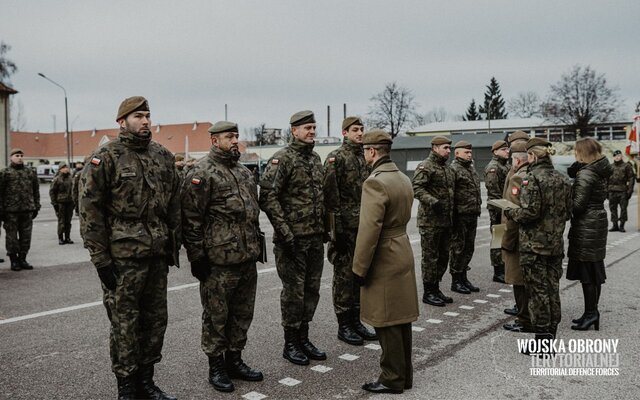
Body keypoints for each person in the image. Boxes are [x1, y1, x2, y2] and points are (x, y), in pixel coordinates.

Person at [79, 96, 180, 400]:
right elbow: (89, 210)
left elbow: (174, 204)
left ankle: (147, 382)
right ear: (122, 122)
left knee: (155, 321)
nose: (145, 121)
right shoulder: (105, 157)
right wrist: (100, 259)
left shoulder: (163, 156)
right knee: (124, 323)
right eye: (138, 116)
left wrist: (174, 246)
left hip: (156, 255)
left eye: (148, 115)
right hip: (122, 258)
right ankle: (127, 387)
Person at [182, 121, 263, 392]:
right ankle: (216, 366)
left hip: (246, 256)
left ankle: (235, 360)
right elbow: (191, 219)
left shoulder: (243, 172)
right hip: (218, 261)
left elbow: (252, 213)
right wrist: (197, 256)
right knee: (217, 316)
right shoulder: (202, 172)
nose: (235, 140)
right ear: (214, 140)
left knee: (242, 314)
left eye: (237, 136)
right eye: (229, 136)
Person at [353, 129, 418, 395]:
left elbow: (369, 230)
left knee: (386, 318)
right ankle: (405, 375)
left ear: (371, 151)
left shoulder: (375, 182)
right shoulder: (402, 177)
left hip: (384, 254)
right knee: (401, 318)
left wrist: (359, 267)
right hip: (401, 247)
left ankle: (391, 377)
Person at [259, 110, 326, 366]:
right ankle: (290, 343)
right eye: (307, 128)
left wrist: (325, 228)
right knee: (293, 293)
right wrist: (285, 231)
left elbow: (320, 197)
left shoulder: (315, 159)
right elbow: (267, 196)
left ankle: (303, 337)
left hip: (314, 238)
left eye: (314, 127)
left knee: (311, 291)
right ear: (294, 131)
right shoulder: (282, 159)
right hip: (292, 240)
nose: (312, 132)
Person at [504, 138, 571, 351]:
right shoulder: (562, 178)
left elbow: (530, 212)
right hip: (555, 245)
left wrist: (511, 212)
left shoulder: (533, 178)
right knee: (552, 289)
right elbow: (568, 211)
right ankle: (551, 336)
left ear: (532, 156)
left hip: (534, 246)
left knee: (537, 292)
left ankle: (542, 343)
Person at [323, 116, 377, 346]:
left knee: (359, 275)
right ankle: (344, 324)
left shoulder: (365, 157)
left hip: (364, 226)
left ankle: (356, 321)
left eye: (362, 129)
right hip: (345, 228)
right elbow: (329, 197)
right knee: (344, 277)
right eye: (355, 130)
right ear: (344, 132)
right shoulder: (337, 158)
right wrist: (336, 232)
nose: (360, 133)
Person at [566, 138, 612, 331]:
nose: (574, 154)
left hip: (586, 224)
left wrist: (567, 196)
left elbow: (577, 206)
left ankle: (591, 313)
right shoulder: (599, 170)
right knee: (594, 270)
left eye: (576, 151)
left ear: (582, 152)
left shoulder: (586, 174)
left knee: (587, 273)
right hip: (597, 222)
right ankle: (591, 312)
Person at [412, 136, 455, 307]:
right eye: (445, 147)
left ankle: (436, 288)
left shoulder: (448, 169)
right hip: (430, 221)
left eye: (449, 148)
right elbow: (417, 188)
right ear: (435, 148)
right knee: (430, 257)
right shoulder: (426, 166)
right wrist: (432, 201)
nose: (448, 150)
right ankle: (429, 291)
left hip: (446, 220)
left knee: (443, 256)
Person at [501, 141, 533, 333]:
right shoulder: (536, 174)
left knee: (518, 279)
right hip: (535, 238)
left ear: (517, 159)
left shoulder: (519, 177)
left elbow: (512, 213)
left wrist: (507, 241)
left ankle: (524, 318)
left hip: (518, 237)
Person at [449, 140, 482, 294]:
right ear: (457, 153)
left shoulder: (471, 168)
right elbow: (451, 194)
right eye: (466, 152)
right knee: (458, 248)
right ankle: (456, 280)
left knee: (469, 248)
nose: (469, 155)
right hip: (460, 215)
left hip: (472, 213)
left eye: (470, 152)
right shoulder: (454, 169)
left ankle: (464, 277)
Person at [0, 148, 40, 271]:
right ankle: (14, 260)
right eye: (17, 155)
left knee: (26, 236)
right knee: (11, 237)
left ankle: (23, 259)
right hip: (10, 211)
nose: (20, 157)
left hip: (27, 209)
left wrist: (36, 206)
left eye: (21, 155)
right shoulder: (5, 173)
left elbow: (35, 190)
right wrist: (1, 209)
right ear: (11, 157)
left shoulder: (30, 172)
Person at [484, 140, 510, 283]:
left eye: (508, 149)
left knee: (505, 240)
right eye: (504, 149)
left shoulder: (506, 166)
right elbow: (494, 193)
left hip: (506, 209)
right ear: (495, 152)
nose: (507, 151)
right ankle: (498, 271)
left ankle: (504, 267)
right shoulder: (493, 168)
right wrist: (504, 210)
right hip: (498, 209)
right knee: (497, 240)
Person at [607, 149, 635, 232]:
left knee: (623, 209)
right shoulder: (610, 167)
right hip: (611, 191)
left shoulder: (627, 166)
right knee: (613, 209)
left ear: (622, 156)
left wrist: (629, 190)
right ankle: (615, 225)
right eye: (615, 156)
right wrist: (606, 191)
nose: (617, 157)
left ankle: (622, 226)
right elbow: (606, 179)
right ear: (613, 157)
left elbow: (631, 178)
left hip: (622, 191)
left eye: (619, 156)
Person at [49, 163, 75, 244]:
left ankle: (67, 237)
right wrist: (54, 204)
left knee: (68, 221)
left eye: (66, 167)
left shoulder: (71, 179)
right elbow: (52, 192)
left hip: (70, 202)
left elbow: (74, 190)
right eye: (63, 168)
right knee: (61, 221)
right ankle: (60, 238)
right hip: (60, 203)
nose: (66, 169)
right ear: (60, 169)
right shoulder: (57, 179)